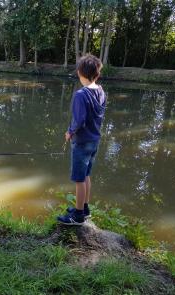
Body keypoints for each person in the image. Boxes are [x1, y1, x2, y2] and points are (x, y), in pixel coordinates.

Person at [57, 54, 106, 225]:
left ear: (79, 72)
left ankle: (78, 216)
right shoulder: (100, 91)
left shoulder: (80, 95)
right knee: (86, 175)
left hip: (82, 142)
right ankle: (84, 208)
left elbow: (79, 120)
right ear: (97, 74)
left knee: (79, 178)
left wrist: (70, 132)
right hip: (94, 141)